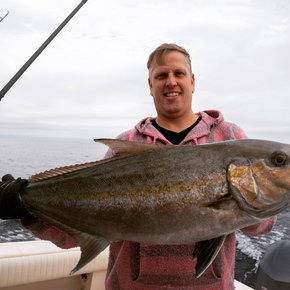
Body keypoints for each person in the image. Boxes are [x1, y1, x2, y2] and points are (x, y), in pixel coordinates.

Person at [0, 43, 276, 290]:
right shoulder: (127, 142)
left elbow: (261, 226)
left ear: (192, 81)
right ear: (150, 85)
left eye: (179, 74)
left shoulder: (229, 136)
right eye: (161, 75)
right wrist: (27, 211)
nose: (171, 81)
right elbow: (73, 236)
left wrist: (241, 208)